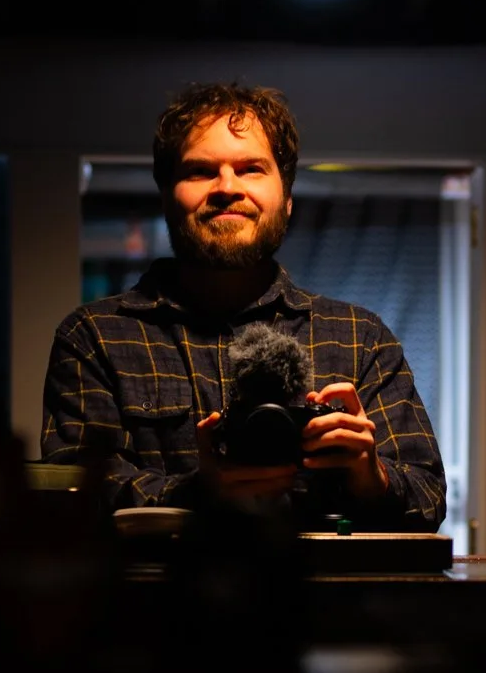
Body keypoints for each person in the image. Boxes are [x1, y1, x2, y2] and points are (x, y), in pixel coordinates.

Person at [39, 82, 446, 531]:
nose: (227, 187)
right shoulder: (95, 338)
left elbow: (428, 499)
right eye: (200, 171)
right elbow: (70, 496)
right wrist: (196, 493)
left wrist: (371, 475)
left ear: (287, 200)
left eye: (251, 169)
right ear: (166, 196)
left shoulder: (360, 339)